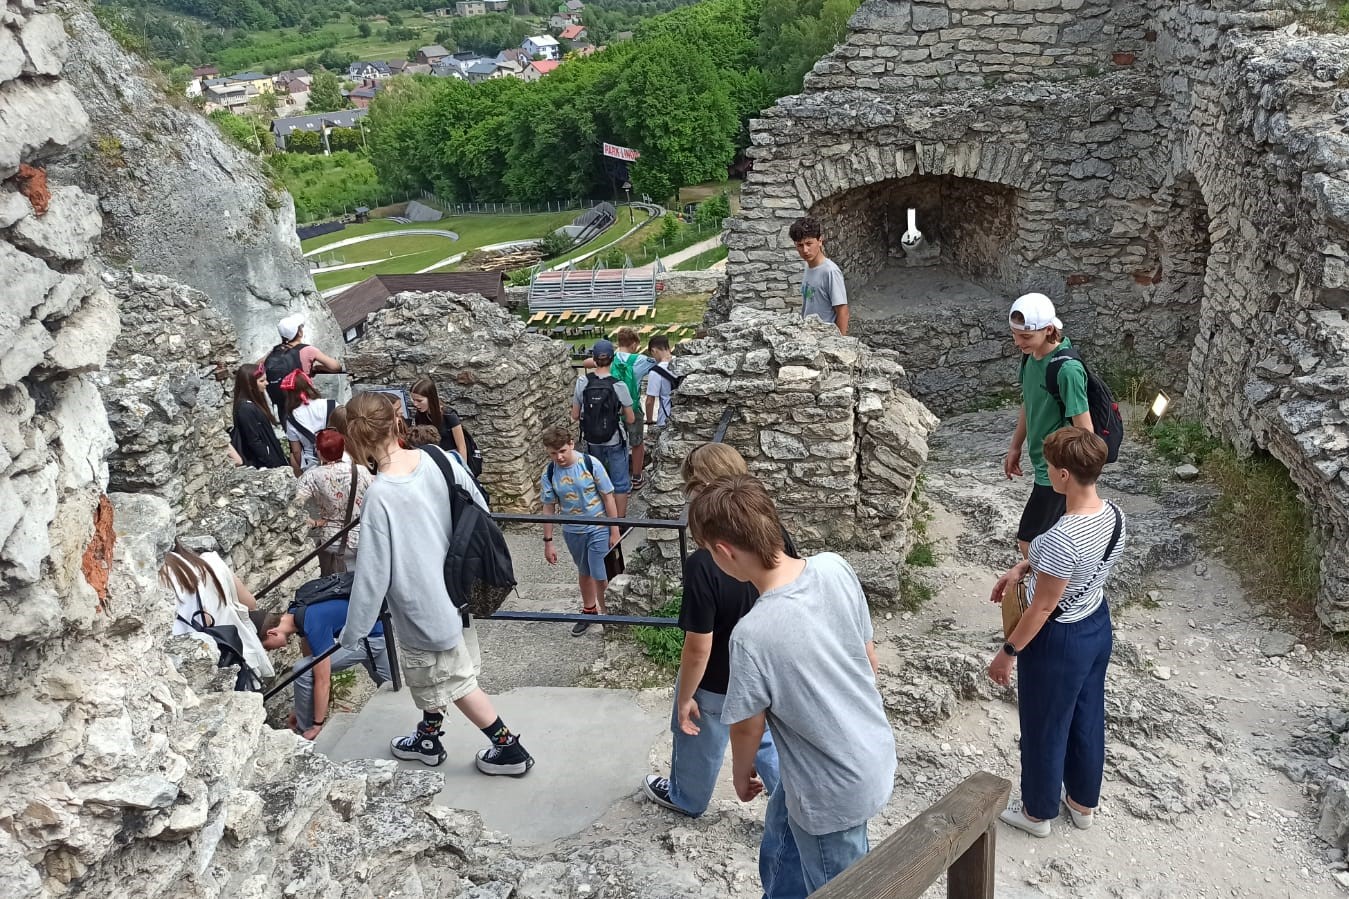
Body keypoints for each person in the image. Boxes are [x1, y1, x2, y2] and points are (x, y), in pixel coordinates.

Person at [691, 475, 895, 897]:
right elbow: (868, 657)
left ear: (724, 553)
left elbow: (747, 726)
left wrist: (741, 774)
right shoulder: (834, 566)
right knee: (783, 833)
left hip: (830, 788)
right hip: (868, 745)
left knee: (841, 887)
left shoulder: (751, 635)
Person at [338, 392, 533, 774]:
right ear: (396, 421)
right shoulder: (438, 459)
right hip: (457, 590)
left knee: (455, 681)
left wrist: (353, 633)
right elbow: (480, 508)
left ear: (356, 439)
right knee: (436, 678)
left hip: (422, 606)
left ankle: (509, 750)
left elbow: (373, 575)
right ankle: (428, 738)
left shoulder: (380, 495)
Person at [642, 445, 803, 896]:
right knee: (765, 737)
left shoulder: (704, 562)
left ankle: (687, 798)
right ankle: (790, 800)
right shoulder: (774, 534)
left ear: (697, 488)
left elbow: (699, 644)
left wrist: (684, 697)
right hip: (766, 667)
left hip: (717, 675)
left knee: (697, 736)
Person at [988, 426, 1125, 838]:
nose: (1045, 472)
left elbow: (1044, 607)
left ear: (1064, 475)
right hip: (1095, 624)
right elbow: (1075, 566)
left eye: (1048, 467)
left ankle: (1037, 812)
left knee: (1045, 723)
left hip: (1058, 639)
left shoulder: (1062, 537)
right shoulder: (1114, 515)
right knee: (1087, 714)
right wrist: (1023, 566)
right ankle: (1082, 803)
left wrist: (1007, 653)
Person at [1004, 293, 1094, 557]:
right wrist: (1015, 446)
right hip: (1044, 465)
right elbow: (1029, 401)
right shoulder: (1031, 356)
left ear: (1048, 330)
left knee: (1028, 541)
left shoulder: (1067, 371)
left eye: (1025, 336)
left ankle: (1046, 584)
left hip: (1057, 469)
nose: (1018, 342)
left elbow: (1085, 431)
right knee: (1050, 543)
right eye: (1014, 335)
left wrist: (1077, 481)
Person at [257, 589, 391, 742]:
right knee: (391, 684)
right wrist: (301, 710)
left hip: (370, 639)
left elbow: (322, 680)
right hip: (374, 628)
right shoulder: (297, 612)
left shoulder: (313, 623)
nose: (270, 650)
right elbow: (312, 663)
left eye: (266, 646)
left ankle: (305, 734)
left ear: (272, 633)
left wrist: (317, 725)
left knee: (302, 669)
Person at [540, 425, 620, 637]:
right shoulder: (549, 473)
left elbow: (608, 497)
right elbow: (548, 507)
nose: (559, 457)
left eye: (562, 451)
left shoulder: (590, 464)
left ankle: (608, 617)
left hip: (598, 526)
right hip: (573, 531)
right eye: (553, 453)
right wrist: (548, 541)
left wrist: (614, 531)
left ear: (571, 445)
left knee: (599, 573)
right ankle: (589, 610)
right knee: (584, 572)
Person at [160, 544, 274, 688]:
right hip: (235, 647)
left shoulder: (166, 573)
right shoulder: (209, 562)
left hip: (204, 656)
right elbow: (250, 603)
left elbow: (205, 620)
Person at [572, 339, 635, 517]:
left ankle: (600, 517)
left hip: (592, 440)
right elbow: (630, 419)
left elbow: (575, 415)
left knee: (595, 480)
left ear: (593, 359)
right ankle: (619, 522)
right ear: (612, 359)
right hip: (614, 439)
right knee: (620, 482)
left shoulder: (582, 382)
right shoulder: (618, 385)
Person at [295, 429, 371, 575]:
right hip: (362, 536)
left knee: (338, 578)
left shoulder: (311, 477)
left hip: (332, 541)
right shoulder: (361, 471)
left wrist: (314, 523)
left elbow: (293, 508)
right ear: (343, 448)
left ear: (319, 452)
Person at [261, 314, 341, 419]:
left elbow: (256, 366)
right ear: (299, 332)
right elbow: (335, 367)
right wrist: (317, 368)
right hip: (303, 402)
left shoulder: (274, 352)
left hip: (283, 406)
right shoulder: (308, 350)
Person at [789, 216, 849, 335]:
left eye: (809, 243)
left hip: (825, 336)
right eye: (800, 245)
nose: (805, 250)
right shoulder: (808, 266)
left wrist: (839, 342)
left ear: (820, 241)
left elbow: (843, 312)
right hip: (808, 335)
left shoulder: (830, 272)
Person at [229, 363, 288, 469]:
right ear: (249, 384)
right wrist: (272, 464)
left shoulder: (251, 404)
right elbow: (254, 441)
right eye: (261, 381)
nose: (267, 383)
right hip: (265, 464)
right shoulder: (245, 409)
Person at [281, 369, 335, 477]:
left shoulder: (291, 419)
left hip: (312, 465)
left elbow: (296, 451)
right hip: (337, 457)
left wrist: (304, 468)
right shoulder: (332, 405)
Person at [410, 377, 469, 464]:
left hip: (452, 461)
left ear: (431, 398)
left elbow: (462, 447)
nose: (415, 404)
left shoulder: (449, 415)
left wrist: (463, 467)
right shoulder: (419, 415)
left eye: (419, 400)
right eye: (413, 400)